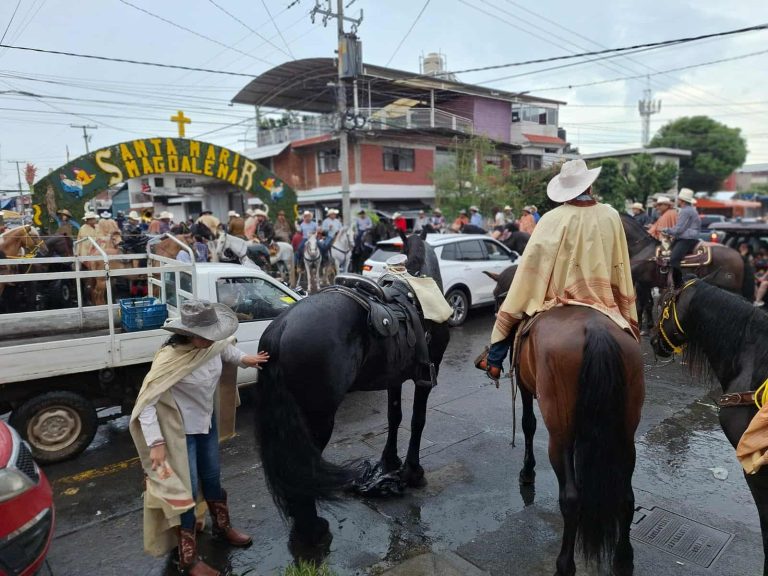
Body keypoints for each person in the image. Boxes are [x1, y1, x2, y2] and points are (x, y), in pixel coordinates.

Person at [129, 300, 269, 575]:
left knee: (212, 478)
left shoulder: (211, 345)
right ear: (188, 334)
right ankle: (188, 557)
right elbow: (146, 403)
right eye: (205, 335)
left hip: (206, 425)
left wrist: (245, 360)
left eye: (212, 334)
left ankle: (222, 527)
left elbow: (225, 350)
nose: (211, 339)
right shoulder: (170, 359)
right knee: (187, 490)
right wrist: (155, 444)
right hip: (180, 434)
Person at [481, 159, 638, 380]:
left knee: (515, 303)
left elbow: (533, 263)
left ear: (565, 190)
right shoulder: (611, 216)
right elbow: (619, 259)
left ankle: (495, 360)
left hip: (559, 295)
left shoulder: (551, 219)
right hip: (604, 298)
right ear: (589, 186)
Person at [661, 188, 700, 282]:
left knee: (674, 259)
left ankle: (678, 282)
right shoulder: (689, 210)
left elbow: (678, 230)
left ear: (682, 201)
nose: (677, 201)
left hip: (687, 239)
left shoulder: (685, 211)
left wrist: (666, 230)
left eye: (678, 199)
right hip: (687, 237)